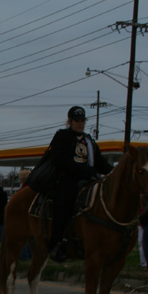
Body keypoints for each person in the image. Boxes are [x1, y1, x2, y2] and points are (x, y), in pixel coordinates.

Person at [46, 106, 113, 262]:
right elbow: (59, 159)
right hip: (68, 178)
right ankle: (57, 244)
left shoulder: (89, 140)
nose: (80, 123)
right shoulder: (62, 136)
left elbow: (100, 162)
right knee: (64, 203)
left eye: (82, 120)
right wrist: (83, 169)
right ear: (70, 121)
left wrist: (114, 172)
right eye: (77, 121)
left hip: (89, 178)